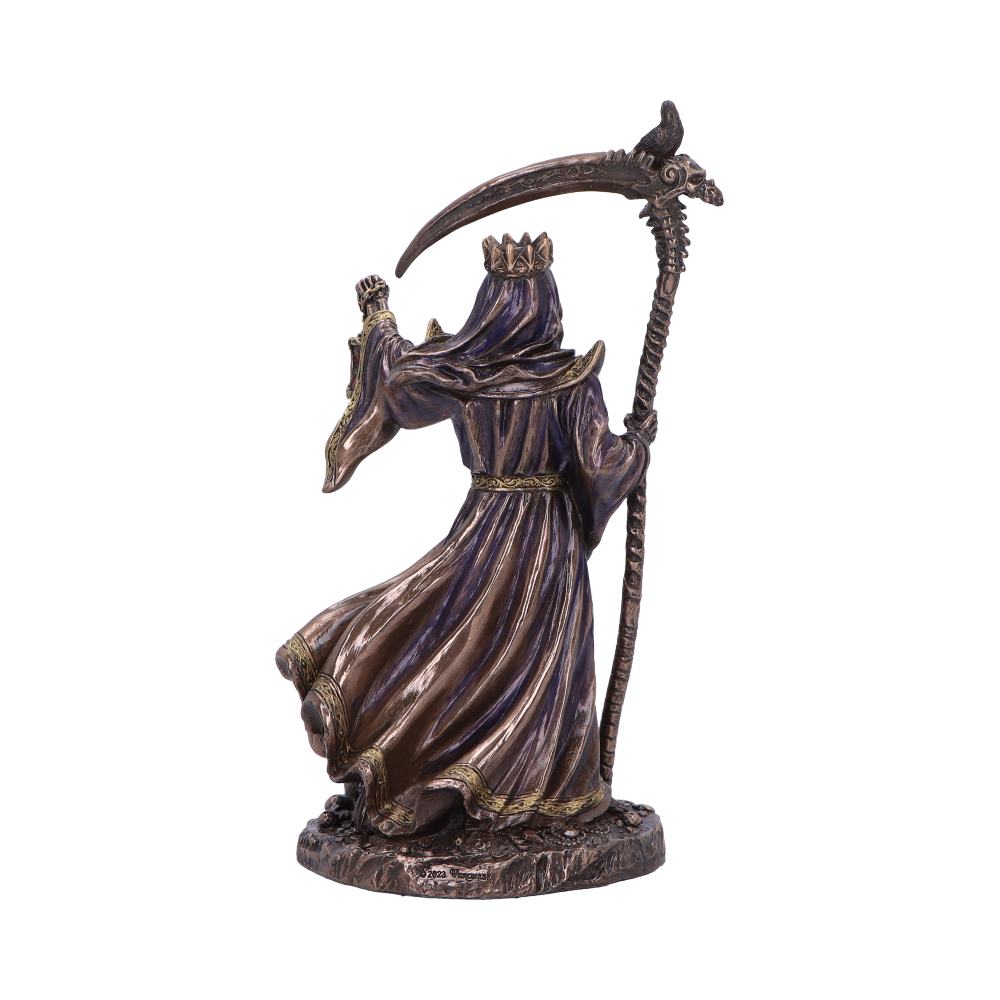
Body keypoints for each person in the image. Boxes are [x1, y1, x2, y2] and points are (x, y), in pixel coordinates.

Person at [276, 233, 655, 835]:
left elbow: (397, 378)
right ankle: (516, 783)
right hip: (545, 542)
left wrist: (379, 319)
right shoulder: (570, 382)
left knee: (455, 641)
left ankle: (455, 771)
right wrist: (637, 446)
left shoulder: (463, 375)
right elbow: (601, 467)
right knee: (518, 660)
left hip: (484, 527)